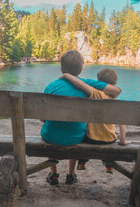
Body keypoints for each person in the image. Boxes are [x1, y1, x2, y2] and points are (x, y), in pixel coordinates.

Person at [41, 50, 121, 185]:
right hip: (75, 137)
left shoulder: (51, 86)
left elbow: (43, 119)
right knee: (77, 131)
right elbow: (117, 91)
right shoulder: (88, 84)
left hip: (51, 137)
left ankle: (54, 174)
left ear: (61, 67)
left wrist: (65, 76)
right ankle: (71, 175)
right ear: (81, 68)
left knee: (51, 128)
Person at [61, 68, 128, 173]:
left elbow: (81, 85)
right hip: (109, 139)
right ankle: (109, 164)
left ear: (98, 82)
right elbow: (122, 123)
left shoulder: (96, 94)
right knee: (108, 141)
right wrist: (122, 140)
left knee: (83, 137)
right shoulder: (117, 102)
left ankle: (82, 161)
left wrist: (66, 75)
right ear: (114, 83)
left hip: (91, 138)